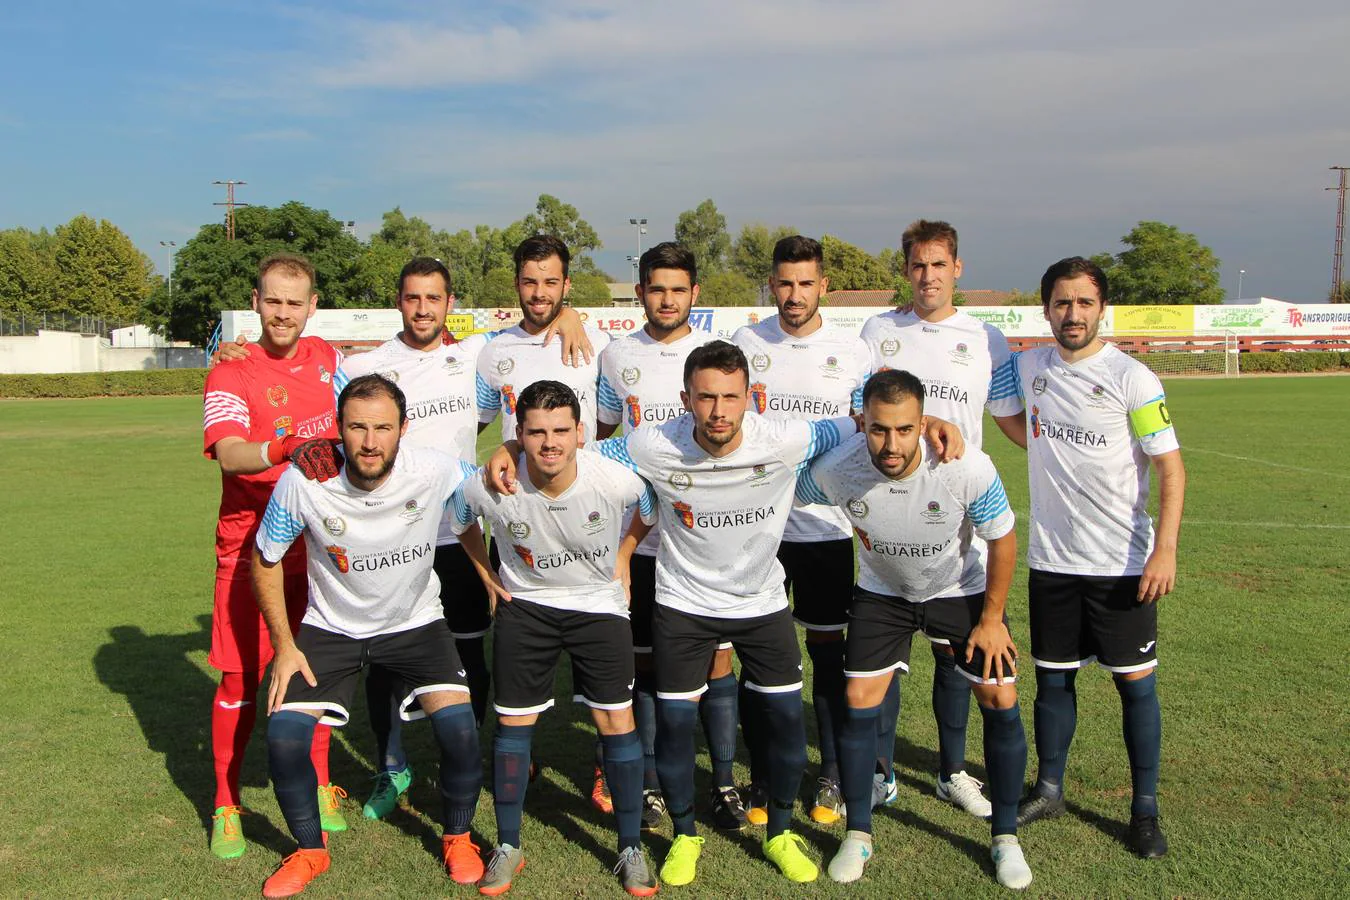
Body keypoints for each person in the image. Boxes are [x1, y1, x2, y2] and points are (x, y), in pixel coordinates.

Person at [483, 341, 962, 885]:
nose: (718, 411)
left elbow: (864, 422)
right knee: (676, 729)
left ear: (749, 397)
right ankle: (686, 836)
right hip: (684, 605)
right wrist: (507, 448)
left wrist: (931, 423)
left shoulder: (786, 436)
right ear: (685, 398)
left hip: (762, 603)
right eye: (706, 397)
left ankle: (779, 831)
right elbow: (573, 451)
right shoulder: (652, 442)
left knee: (783, 726)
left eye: (731, 397)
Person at [334, 256, 590, 820]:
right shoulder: (367, 365)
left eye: (434, 298)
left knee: (470, 645)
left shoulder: (472, 356)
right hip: (383, 538)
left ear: (450, 303)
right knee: (385, 657)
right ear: (398, 301)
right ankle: (391, 767)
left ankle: (464, 761)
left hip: (458, 531)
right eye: (412, 297)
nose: (423, 309)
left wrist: (567, 311)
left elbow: (524, 349)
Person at [251, 374, 490, 897]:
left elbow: (490, 482)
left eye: (383, 427)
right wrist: (285, 646)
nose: (369, 441)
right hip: (329, 628)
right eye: (357, 427)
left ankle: (458, 837)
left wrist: (508, 454)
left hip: (416, 623)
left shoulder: (435, 468)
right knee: (284, 740)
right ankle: (309, 851)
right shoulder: (304, 480)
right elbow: (264, 557)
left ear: (403, 428)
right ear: (338, 429)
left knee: (461, 731)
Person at [797, 369, 1033, 889]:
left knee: (1000, 697)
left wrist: (992, 620)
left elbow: (1004, 536)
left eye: (904, 430)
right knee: (858, 697)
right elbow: (787, 483)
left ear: (923, 424)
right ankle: (858, 833)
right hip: (883, 592)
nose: (890, 443)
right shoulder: (839, 469)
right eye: (879, 429)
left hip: (959, 589)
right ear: (864, 425)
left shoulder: (963, 465)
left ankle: (1006, 837)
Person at [452, 380, 660, 897]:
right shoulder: (490, 483)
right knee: (512, 724)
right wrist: (487, 575)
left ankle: (630, 846)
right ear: (518, 435)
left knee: (617, 721)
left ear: (580, 432)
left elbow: (650, 508)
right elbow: (459, 522)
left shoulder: (613, 480)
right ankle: (508, 845)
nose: (550, 443)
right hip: (527, 609)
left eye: (561, 431)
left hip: (597, 607)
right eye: (537, 432)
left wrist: (624, 556)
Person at [1010, 256, 1185, 860]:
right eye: (1062, 303)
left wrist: (1163, 552)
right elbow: (1016, 423)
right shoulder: (1029, 366)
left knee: (1136, 689)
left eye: (1084, 303)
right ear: (1046, 309)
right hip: (1053, 561)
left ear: (1101, 308)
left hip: (1122, 564)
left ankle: (1144, 811)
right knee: (1052, 681)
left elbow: (1170, 469)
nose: (1073, 314)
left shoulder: (1133, 377)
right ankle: (1050, 787)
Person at [858, 219, 1024, 818]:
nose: (927, 276)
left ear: (957, 268)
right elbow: (862, 409)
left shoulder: (988, 338)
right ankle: (880, 774)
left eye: (938, 264)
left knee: (955, 654)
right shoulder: (879, 330)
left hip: (962, 518)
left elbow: (1008, 420)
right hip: (890, 513)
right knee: (885, 657)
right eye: (916, 265)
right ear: (905, 271)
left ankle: (953, 771)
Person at [201, 253, 348, 859]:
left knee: (312, 670)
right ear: (256, 303)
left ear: (312, 307)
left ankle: (318, 787)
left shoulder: (328, 360)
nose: (283, 313)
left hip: (313, 547)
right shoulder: (230, 372)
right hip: (247, 548)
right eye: (273, 301)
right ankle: (226, 804)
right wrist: (286, 446)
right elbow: (231, 453)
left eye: (295, 302)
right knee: (239, 678)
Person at [595, 242, 746, 832]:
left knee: (715, 663)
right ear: (640, 293)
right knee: (648, 667)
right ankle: (653, 783)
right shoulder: (614, 357)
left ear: (695, 295)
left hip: (708, 541)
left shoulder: (716, 356)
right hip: (641, 541)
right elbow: (605, 440)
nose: (666, 299)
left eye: (678, 289)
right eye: (656, 289)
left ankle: (726, 782)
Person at [730, 235, 872, 825]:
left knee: (827, 655)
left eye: (805, 283)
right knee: (756, 656)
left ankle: (833, 776)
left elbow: (870, 430)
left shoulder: (854, 353)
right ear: (772, 285)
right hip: (757, 529)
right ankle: (763, 778)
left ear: (824, 287)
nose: (794, 295)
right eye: (784, 283)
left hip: (827, 531)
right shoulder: (744, 343)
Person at [475, 233, 616, 812]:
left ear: (566, 285)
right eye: (529, 282)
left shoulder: (598, 344)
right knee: (514, 634)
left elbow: (608, 425)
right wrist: (510, 443)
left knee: (604, 640)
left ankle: (608, 766)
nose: (539, 293)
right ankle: (518, 750)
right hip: (517, 520)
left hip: (587, 517)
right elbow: (472, 420)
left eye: (551, 282)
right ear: (516, 284)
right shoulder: (489, 352)